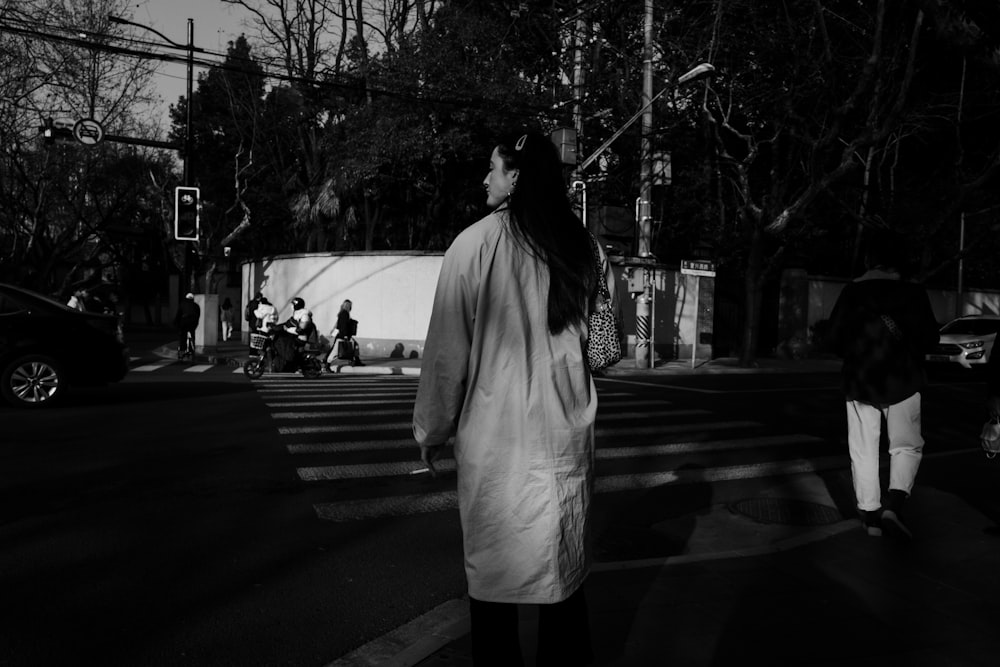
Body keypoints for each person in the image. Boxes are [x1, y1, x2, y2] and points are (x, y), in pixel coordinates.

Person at [412, 131, 611, 666]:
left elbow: (446, 356)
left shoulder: (473, 245)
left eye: (493, 169)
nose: (486, 178)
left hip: (498, 450)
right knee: (563, 589)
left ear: (516, 177)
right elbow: (604, 349)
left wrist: (431, 431)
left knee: (494, 600)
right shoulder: (585, 248)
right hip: (565, 445)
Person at [826, 231, 940, 541]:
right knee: (906, 445)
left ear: (868, 258)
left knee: (863, 448)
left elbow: (834, 339)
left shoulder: (853, 292)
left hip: (861, 381)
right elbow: (931, 338)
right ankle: (895, 504)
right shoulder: (914, 293)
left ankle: (871, 516)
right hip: (903, 379)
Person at [326, 299, 364, 367]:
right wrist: (345, 335)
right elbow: (343, 325)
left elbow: (338, 324)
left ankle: (356, 361)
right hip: (343, 335)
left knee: (355, 345)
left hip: (343, 335)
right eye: (350, 306)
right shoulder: (344, 314)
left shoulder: (343, 313)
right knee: (335, 351)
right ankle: (327, 364)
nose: (350, 307)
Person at [174, 292, 201, 357]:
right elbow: (198, 315)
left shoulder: (182, 304)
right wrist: (196, 324)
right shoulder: (196, 305)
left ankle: (182, 350)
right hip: (193, 322)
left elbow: (178, 315)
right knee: (192, 334)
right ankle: (192, 349)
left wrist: (176, 323)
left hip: (184, 322)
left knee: (182, 336)